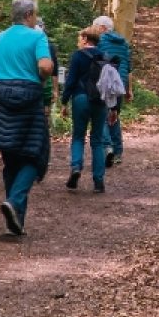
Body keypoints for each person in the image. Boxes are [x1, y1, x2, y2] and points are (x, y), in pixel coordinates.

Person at [0, 0, 55, 236]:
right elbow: (47, 67)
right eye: (35, 15)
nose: (36, 19)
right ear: (28, 15)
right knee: (34, 155)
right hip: (29, 102)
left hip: (1, 103)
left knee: (11, 158)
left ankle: (16, 222)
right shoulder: (38, 36)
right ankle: (15, 202)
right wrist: (40, 76)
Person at [63, 26, 112, 192]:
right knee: (97, 140)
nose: (79, 41)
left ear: (85, 39)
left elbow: (70, 81)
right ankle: (98, 181)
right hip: (100, 101)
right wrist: (113, 107)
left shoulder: (78, 56)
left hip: (81, 98)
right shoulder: (105, 57)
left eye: (80, 38)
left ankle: (76, 167)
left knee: (78, 136)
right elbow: (110, 84)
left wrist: (64, 102)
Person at [93, 15, 132, 166]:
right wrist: (129, 89)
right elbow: (128, 67)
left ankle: (107, 147)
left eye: (96, 27)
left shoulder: (100, 41)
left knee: (101, 116)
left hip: (104, 83)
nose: (94, 30)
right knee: (114, 116)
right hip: (119, 84)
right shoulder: (123, 43)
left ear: (102, 28)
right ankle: (118, 152)